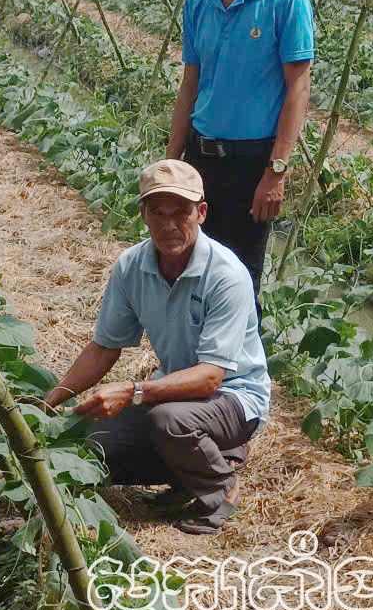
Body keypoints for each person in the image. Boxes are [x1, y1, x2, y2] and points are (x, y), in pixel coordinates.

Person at [41, 159, 271, 534]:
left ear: (201, 213)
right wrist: (50, 402)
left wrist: (133, 391)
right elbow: (104, 348)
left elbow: (211, 378)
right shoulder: (132, 266)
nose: (168, 225)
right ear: (143, 215)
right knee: (91, 443)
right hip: (178, 395)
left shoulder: (225, 275)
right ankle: (195, 467)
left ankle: (220, 489)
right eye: (157, 212)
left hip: (234, 398)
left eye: (180, 212)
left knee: (169, 422)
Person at [166, 0, 314, 311]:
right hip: (201, 155)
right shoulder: (198, 0)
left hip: (253, 162)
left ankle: (240, 376)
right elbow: (190, 84)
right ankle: (192, 368)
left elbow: (298, 88)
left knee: (240, 277)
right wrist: (174, 159)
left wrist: (277, 171)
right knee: (191, 264)